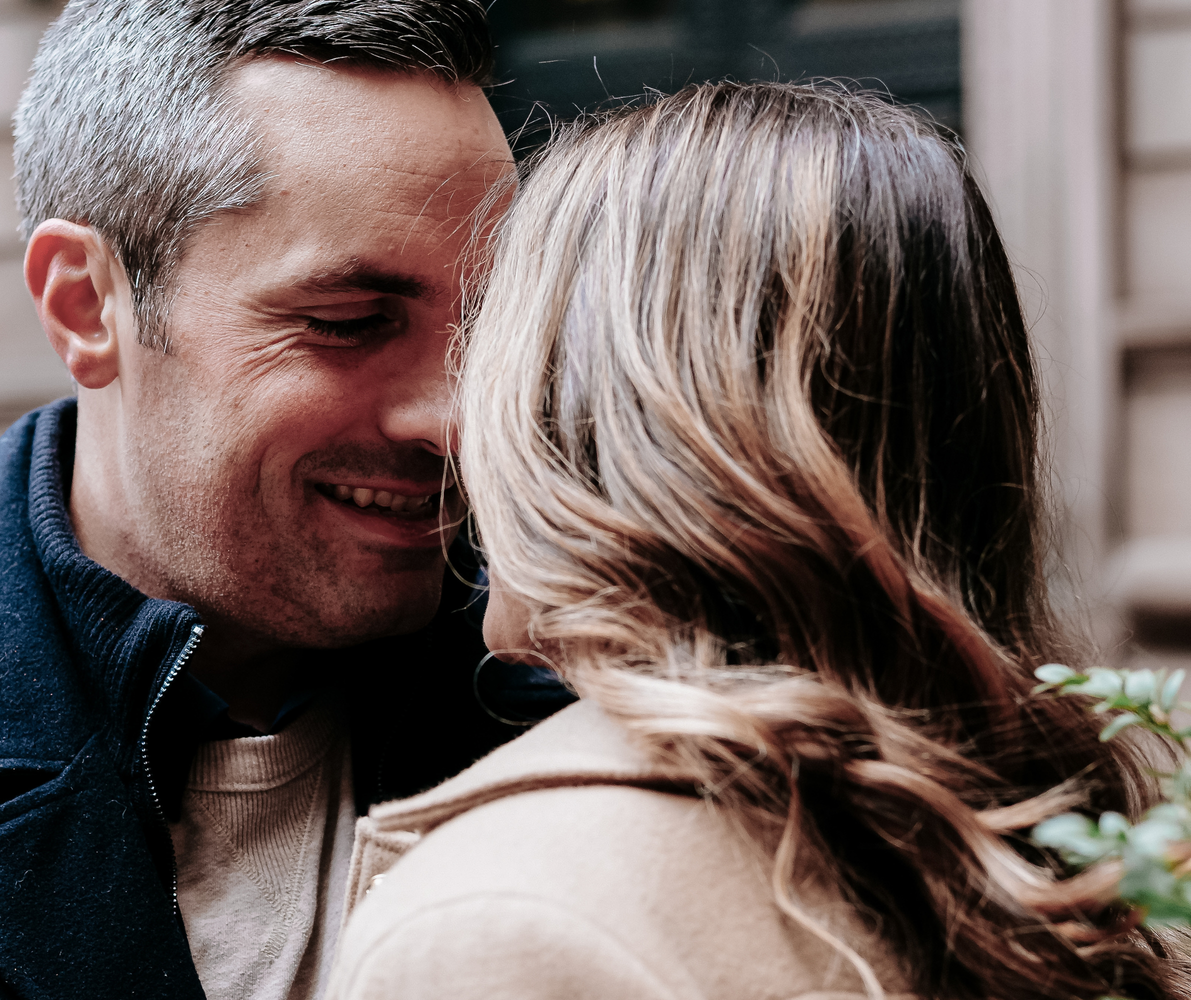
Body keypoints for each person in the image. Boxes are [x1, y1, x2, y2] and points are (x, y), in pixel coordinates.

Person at [0, 3, 538, 998]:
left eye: (493, 320)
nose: (457, 414)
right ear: (86, 303)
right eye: (350, 322)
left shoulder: (597, 722)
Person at [329, 82, 1190, 1000]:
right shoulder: (1051, 866)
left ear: (591, 420)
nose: (451, 425)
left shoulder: (498, 927)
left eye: (486, 346)